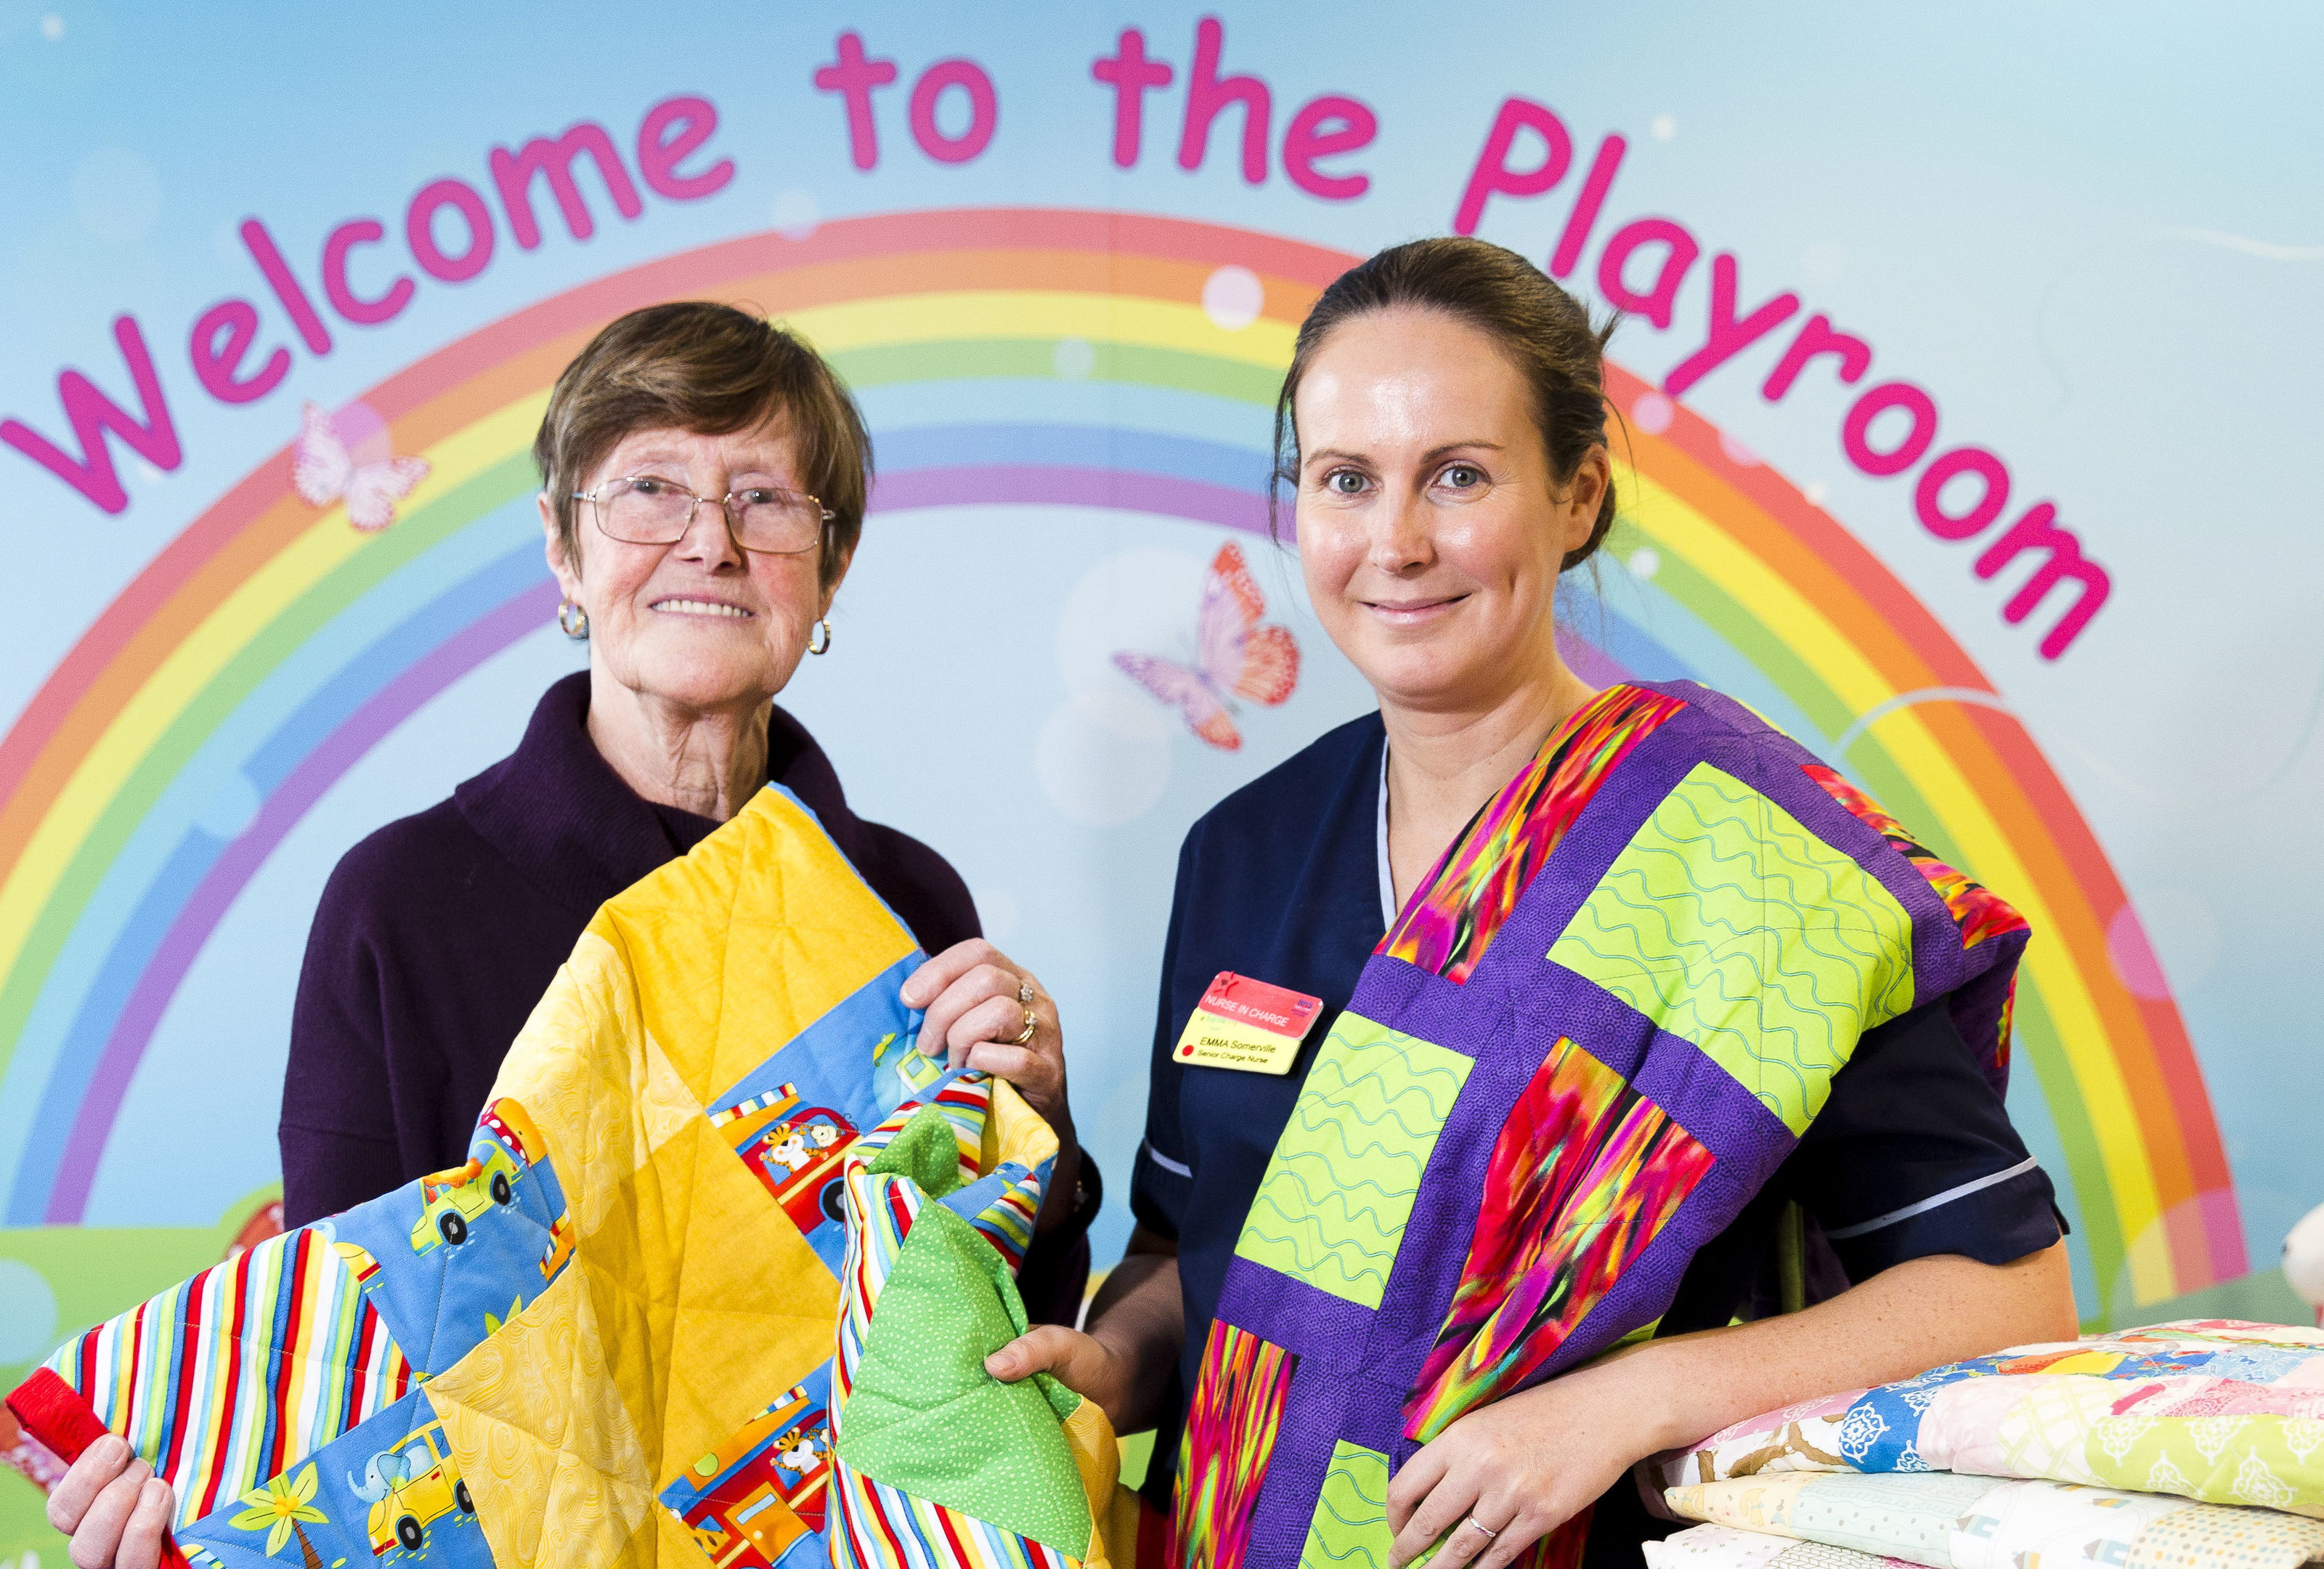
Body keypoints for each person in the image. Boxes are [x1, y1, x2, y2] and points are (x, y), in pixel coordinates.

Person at [986, 239, 2079, 1568]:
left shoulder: (1743, 854)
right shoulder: (1243, 851)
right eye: (1345, 481)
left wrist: (1623, 1405)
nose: (1395, 542)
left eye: (1458, 476)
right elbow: (1186, 1245)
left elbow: (2011, 1294)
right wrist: (1111, 1364)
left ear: (1578, 495)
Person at [50, 301, 1096, 1565]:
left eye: (765, 500)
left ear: (830, 566)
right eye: (649, 489)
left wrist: (1040, 1128)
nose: (708, 543)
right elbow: (355, 1358)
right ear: (561, 549)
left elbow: (980, 1355)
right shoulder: (398, 900)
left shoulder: (909, 901)